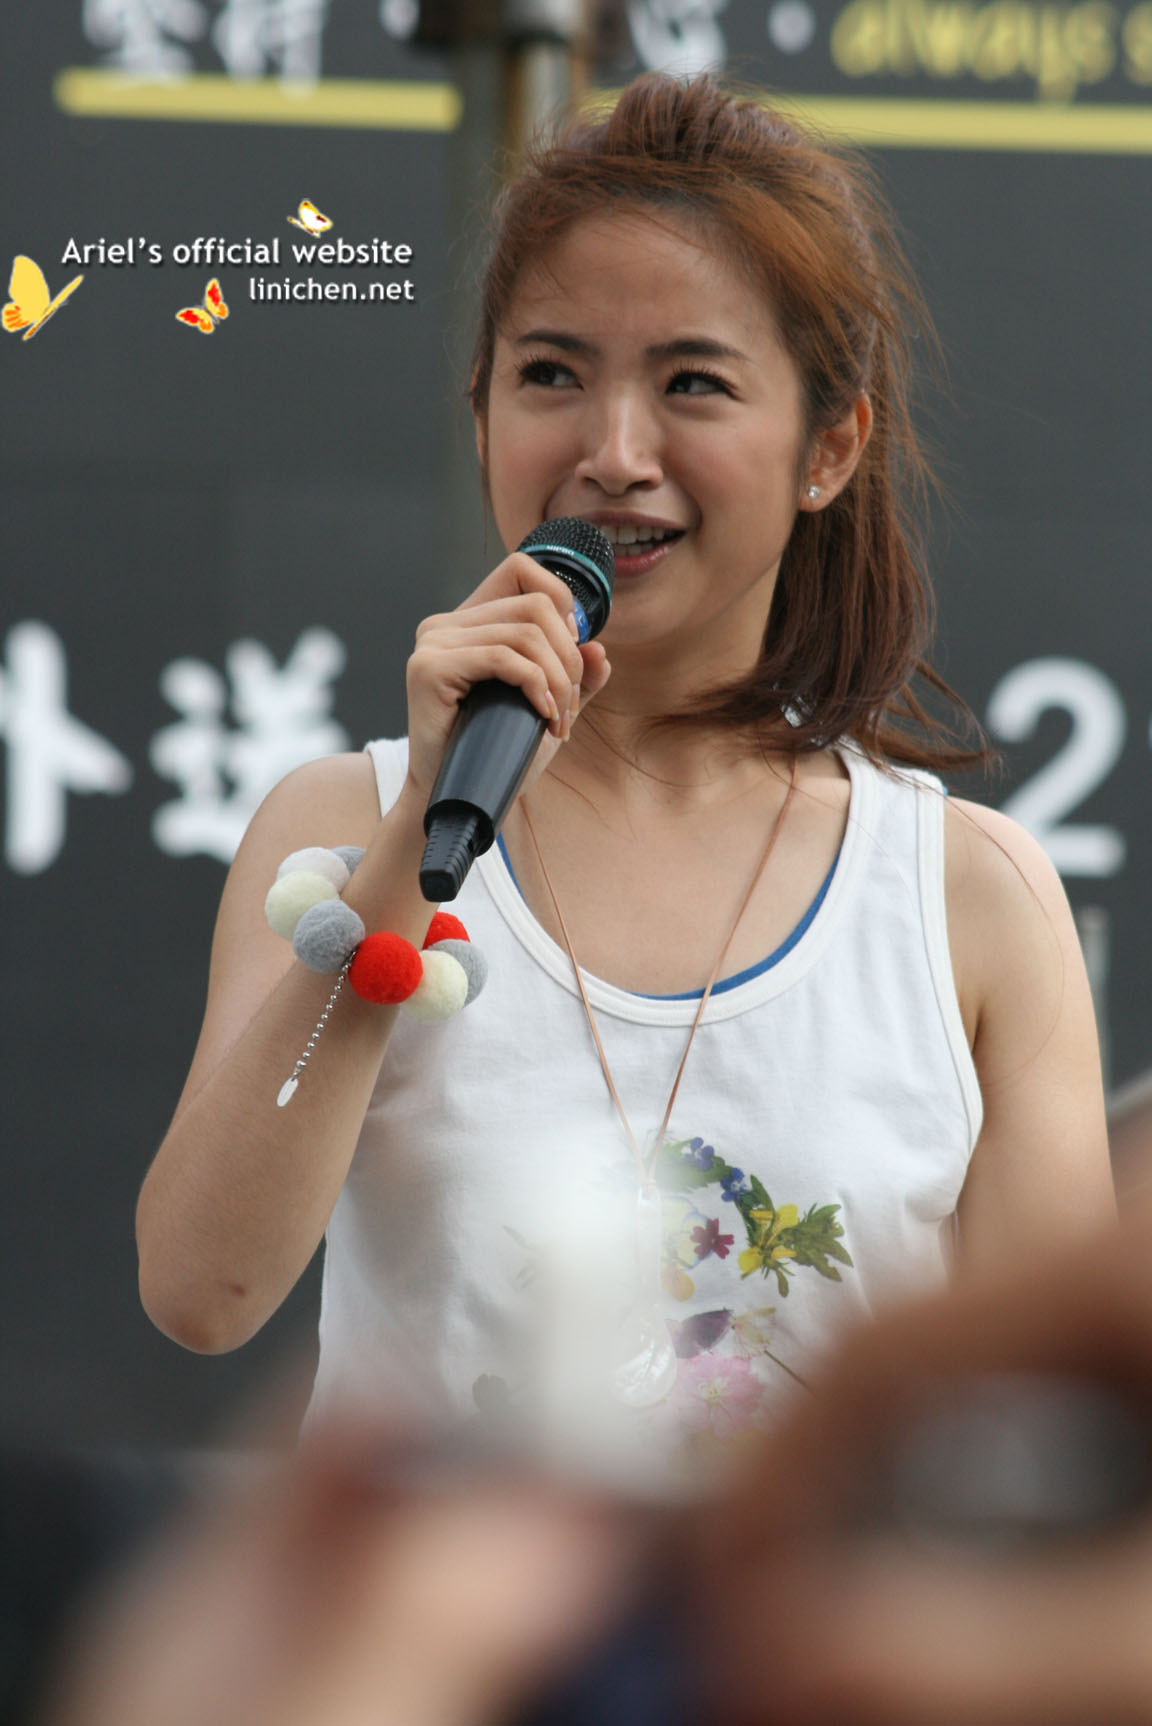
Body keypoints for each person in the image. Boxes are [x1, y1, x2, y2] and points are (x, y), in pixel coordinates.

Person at [136, 73, 1114, 1466]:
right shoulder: (342, 827)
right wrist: (417, 839)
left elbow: (1056, 1430)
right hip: (439, 1610)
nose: (613, 454)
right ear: (481, 416)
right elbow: (201, 1290)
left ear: (831, 444)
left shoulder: (966, 897)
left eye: (692, 383)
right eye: (551, 375)